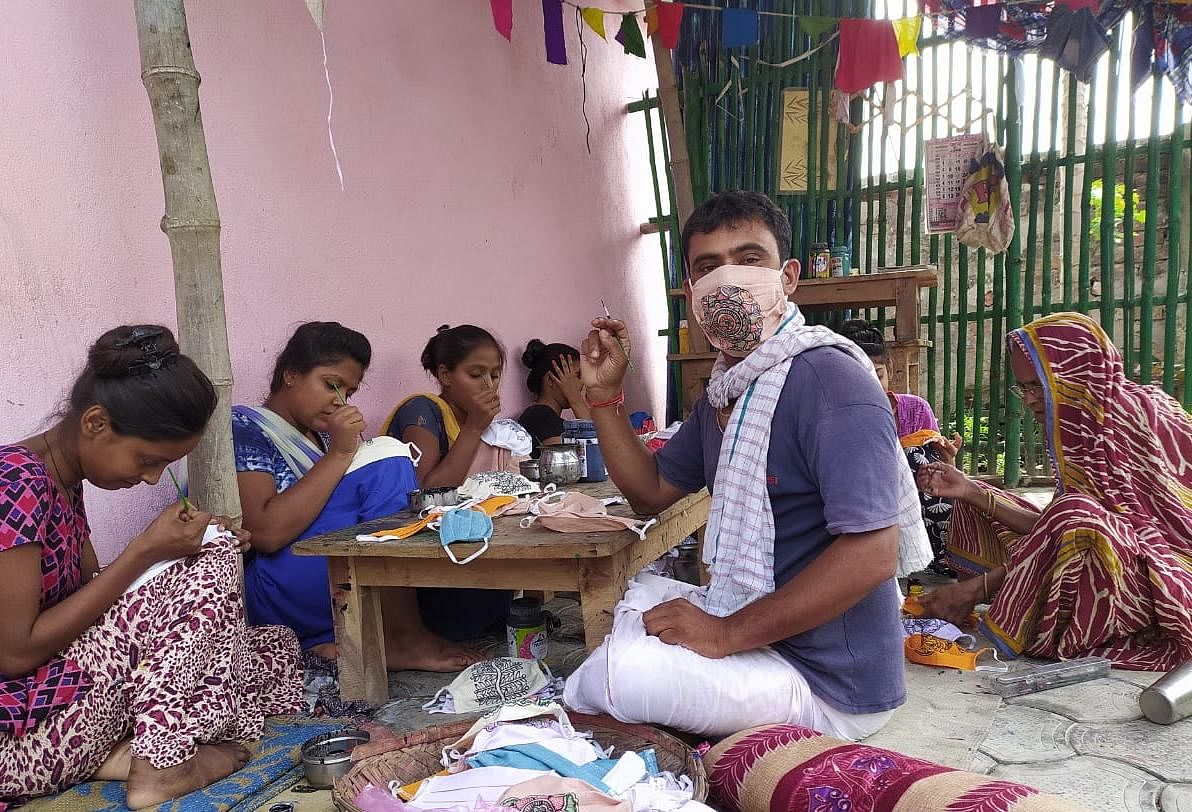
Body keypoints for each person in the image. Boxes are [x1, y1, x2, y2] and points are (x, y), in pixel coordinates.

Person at [563, 191, 909, 740]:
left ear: (788, 276)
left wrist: (724, 633)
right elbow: (650, 492)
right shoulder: (727, 392)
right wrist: (604, 396)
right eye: (707, 267)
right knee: (645, 596)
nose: (727, 279)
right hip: (765, 639)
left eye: (748, 259)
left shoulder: (831, 380)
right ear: (692, 294)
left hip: (829, 683)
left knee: (616, 674)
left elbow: (872, 554)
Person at [0, 325, 302, 809]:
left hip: (49, 712)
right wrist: (146, 553)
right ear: (96, 423)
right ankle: (162, 766)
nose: (150, 478)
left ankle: (119, 752)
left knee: (266, 649)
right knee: (213, 564)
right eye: (147, 459)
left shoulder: (57, 477)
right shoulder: (14, 484)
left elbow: (85, 598)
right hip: (17, 741)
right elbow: (14, 654)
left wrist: (182, 553)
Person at [917, 312, 1192, 671]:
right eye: (1024, 387)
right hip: (1105, 549)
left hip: (1165, 577)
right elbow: (1054, 527)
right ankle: (1009, 597)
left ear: (1074, 376)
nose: (1029, 399)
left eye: (1037, 386)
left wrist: (978, 589)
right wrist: (969, 489)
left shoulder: (1138, 418)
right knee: (979, 497)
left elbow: (1108, 529)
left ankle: (992, 602)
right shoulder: (1079, 424)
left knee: (1075, 513)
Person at [234, 322, 474, 676]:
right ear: (291, 375)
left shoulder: (324, 438)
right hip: (269, 592)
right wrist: (341, 455)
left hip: (317, 579)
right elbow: (265, 533)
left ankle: (330, 639)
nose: (339, 399)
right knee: (389, 455)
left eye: (349, 390)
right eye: (331, 384)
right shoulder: (244, 427)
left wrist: (341, 451)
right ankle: (400, 636)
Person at [382, 324, 522, 647]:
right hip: (418, 569)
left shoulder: (485, 424)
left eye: (496, 374)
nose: (489, 385)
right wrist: (474, 426)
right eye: (476, 375)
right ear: (445, 375)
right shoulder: (423, 411)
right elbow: (425, 494)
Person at [838, 318, 960, 574]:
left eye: (877, 374)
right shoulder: (837, 420)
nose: (869, 384)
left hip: (918, 500)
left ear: (890, 369)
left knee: (918, 455)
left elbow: (941, 476)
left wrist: (949, 461)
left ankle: (936, 558)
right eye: (858, 375)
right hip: (868, 505)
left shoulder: (915, 409)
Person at [517, 340, 591, 455]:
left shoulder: (553, 419)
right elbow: (593, 449)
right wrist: (576, 399)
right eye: (576, 376)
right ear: (551, 380)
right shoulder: (539, 416)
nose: (581, 383)